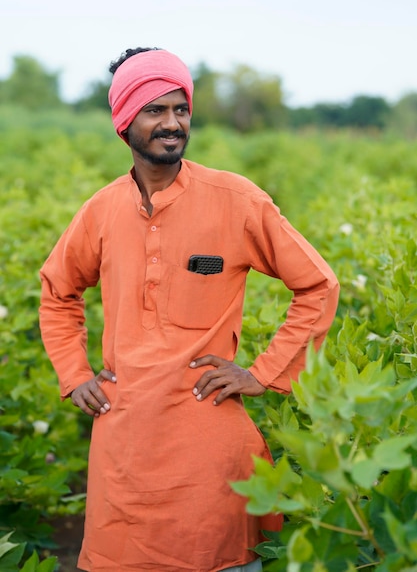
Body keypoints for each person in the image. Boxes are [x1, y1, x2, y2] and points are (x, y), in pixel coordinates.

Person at [39, 47, 339, 572]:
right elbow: (58, 291)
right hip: (124, 439)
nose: (172, 123)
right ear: (125, 121)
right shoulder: (101, 211)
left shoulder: (235, 199)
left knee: (218, 556)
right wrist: (73, 372)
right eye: (155, 110)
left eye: (181, 109)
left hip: (208, 442)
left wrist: (264, 374)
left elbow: (318, 284)